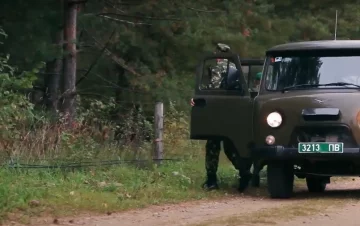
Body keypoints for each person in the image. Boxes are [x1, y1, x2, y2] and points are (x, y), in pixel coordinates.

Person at [190, 43, 253, 192]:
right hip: (234, 113)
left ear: (218, 55)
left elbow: (215, 90)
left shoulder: (219, 69)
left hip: (218, 112)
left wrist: (199, 98)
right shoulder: (235, 69)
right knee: (231, 146)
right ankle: (245, 172)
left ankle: (211, 180)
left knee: (212, 145)